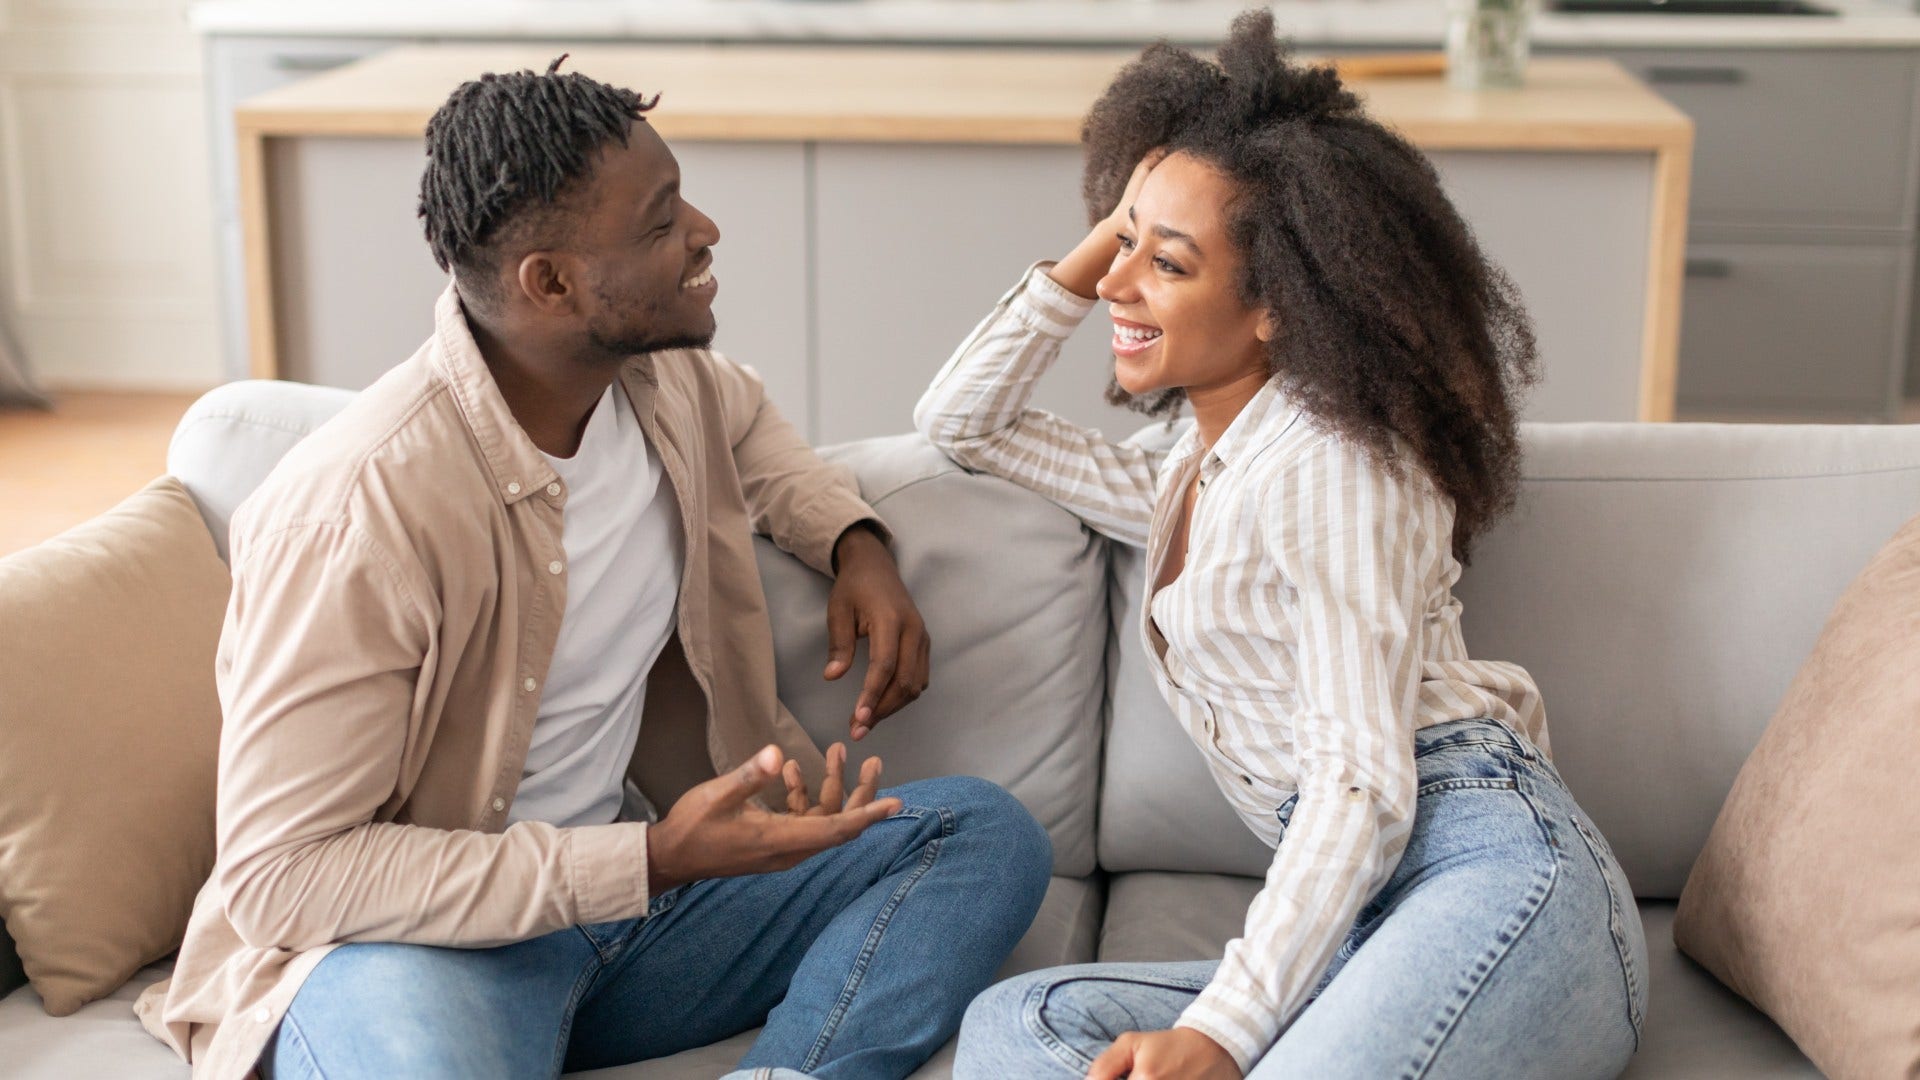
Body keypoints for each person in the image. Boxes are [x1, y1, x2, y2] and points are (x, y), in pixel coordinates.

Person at [134, 58, 1051, 1080]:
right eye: (660, 223)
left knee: (979, 833)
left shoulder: (661, 381)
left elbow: (750, 428)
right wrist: (650, 859)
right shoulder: (357, 514)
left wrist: (855, 544)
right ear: (552, 282)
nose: (704, 231)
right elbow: (281, 878)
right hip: (418, 953)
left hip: (635, 923)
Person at [919, 13, 1646, 1079]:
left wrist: (1226, 1028)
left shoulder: (1337, 463)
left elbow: (1358, 779)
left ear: (1275, 306)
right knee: (1018, 1030)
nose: (1121, 285)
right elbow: (963, 422)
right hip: (1364, 918)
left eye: (1166, 264)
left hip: (1492, 874)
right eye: (1124, 246)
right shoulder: (1191, 469)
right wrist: (1112, 239)